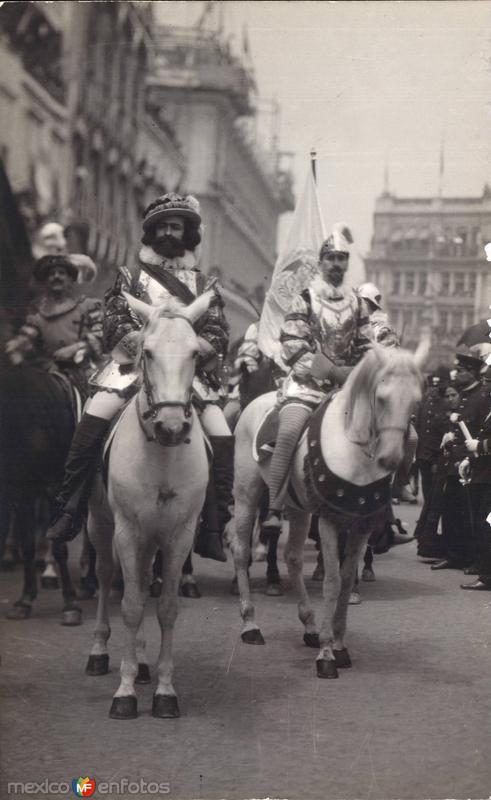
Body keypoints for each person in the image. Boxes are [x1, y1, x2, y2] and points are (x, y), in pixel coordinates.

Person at [46, 193, 233, 562]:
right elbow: (115, 321)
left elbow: (217, 331)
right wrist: (148, 346)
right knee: (93, 417)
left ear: (188, 233)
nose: (168, 232)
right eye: (161, 226)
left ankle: (214, 523)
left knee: (223, 435)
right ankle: (70, 507)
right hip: (133, 366)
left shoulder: (204, 285)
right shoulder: (129, 277)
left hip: (184, 370)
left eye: (175, 226)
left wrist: (189, 349)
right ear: (150, 233)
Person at [261, 224, 373, 532]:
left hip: (347, 389)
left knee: (384, 430)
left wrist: (354, 372)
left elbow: (367, 346)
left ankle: (379, 510)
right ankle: (274, 506)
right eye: (331, 258)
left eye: (342, 258)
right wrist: (327, 370)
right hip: (308, 385)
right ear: (321, 263)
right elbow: (293, 343)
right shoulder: (305, 299)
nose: (336, 264)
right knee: (288, 432)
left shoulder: (359, 303)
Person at [5, 254, 103, 398]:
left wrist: (75, 348)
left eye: (61, 273)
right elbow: (25, 339)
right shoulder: (37, 314)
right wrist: (15, 349)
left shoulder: (89, 306)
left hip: (86, 369)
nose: (56, 276)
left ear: (70, 279)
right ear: (45, 281)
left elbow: (100, 335)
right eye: (51, 274)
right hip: (52, 371)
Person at [431, 352, 489, 571]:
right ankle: (453, 554)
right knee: (451, 510)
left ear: (473, 372)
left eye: (462, 370)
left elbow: (481, 430)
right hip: (453, 463)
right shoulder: (465, 395)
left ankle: (473, 559)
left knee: (470, 514)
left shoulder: (481, 396)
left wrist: (468, 456)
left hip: (471, 462)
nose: (458, 373)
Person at [458, 376, 491, 590]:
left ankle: (487, 576)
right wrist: (470, 458)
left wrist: (479, 446)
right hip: (484, 474)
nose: (486, 385)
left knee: (487, 526)